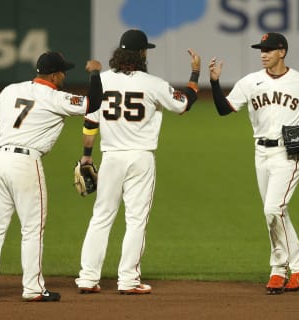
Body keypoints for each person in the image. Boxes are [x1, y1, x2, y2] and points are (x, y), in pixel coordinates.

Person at [74, 29, 201, 294]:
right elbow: (184, 104)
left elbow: (90, 121)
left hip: (110, 158)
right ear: (142, 53)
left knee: (101, 217)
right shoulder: (153, 83)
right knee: (136, 220)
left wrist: (87, 155)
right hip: (140, 158)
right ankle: (129, 280)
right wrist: (195, 74)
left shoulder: (103, 80)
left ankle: (87, 278)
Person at [0, 51, 103, 302]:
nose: (65, 75)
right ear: (54, 75)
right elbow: (94, 103)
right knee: (32, 229)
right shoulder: (55, 97)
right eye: (63, 72)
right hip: (25, 163)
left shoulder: (12, 89)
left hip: (0, 160)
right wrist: (96, 73)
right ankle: (33, 288)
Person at [208, 33, 299, 294]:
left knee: (273, 209)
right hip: (260, 154)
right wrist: (215, 82)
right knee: (275, 213)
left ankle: (281, 268)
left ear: (282, 52)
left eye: (269, 49)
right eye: (261, 50)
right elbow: (223, 109)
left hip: (289, 155)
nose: (263, 54)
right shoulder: (250, 82)